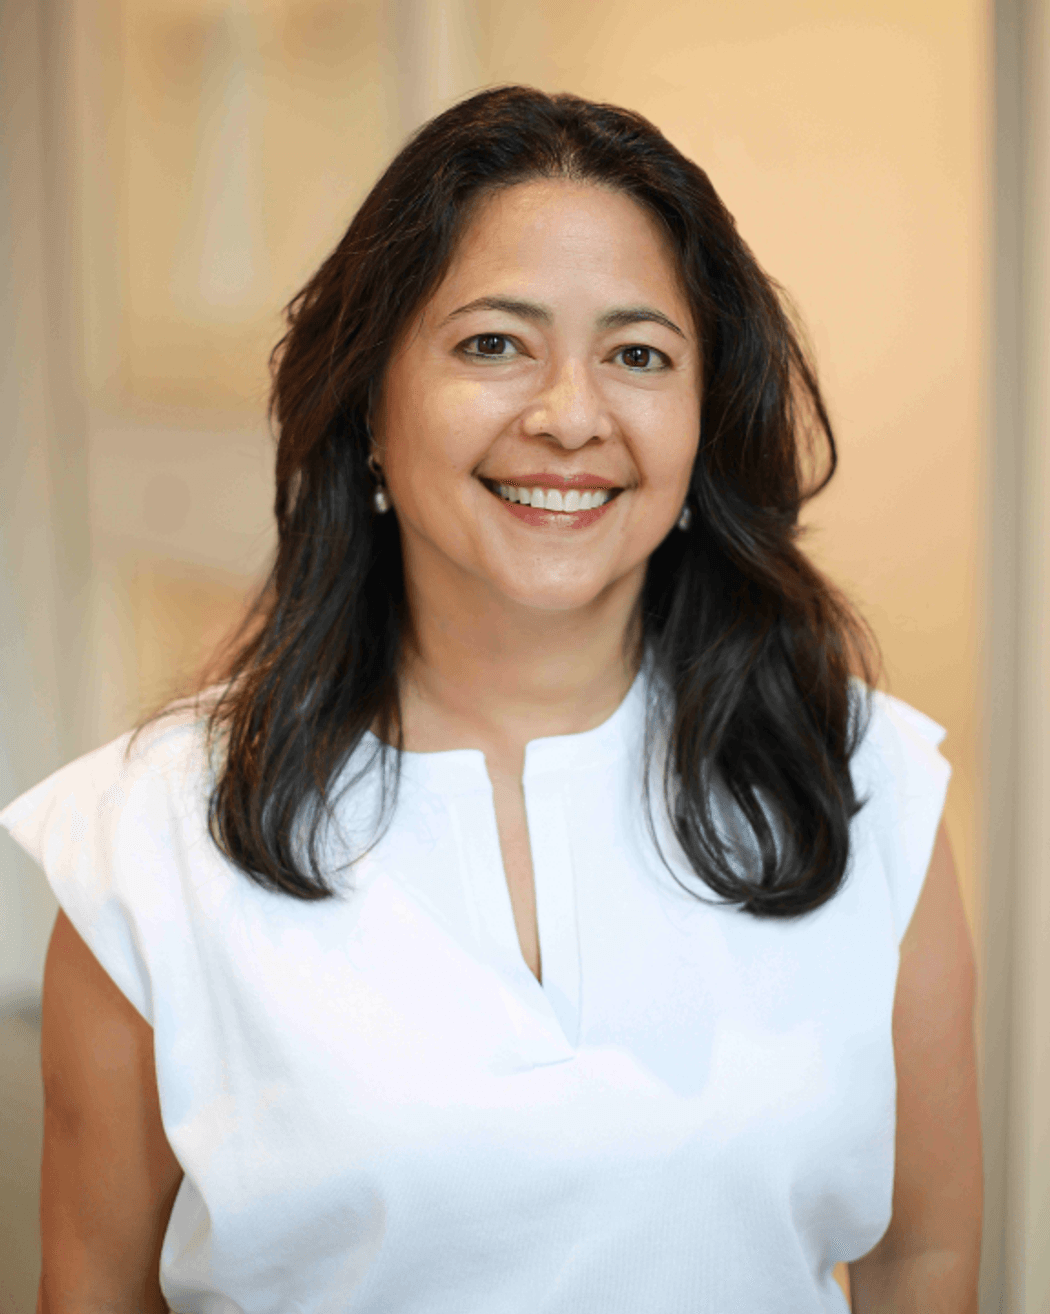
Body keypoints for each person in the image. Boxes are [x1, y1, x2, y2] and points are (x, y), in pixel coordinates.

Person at [2, 87, 981, 1313]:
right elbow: (93, 1290)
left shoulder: (864, 785)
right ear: (369, 403)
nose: (570, 416)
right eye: (492, 343)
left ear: (701, 422)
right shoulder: (149, 838)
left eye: (638, 356)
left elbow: (922, 1259)